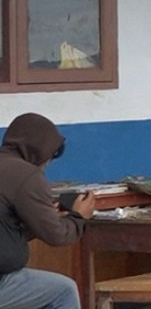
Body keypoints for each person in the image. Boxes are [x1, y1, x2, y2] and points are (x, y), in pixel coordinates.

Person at [0, 113, 95, 309]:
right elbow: (57, 236)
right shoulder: (26, 174)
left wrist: (37, 223)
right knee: (64, 291)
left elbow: (5, 234)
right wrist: (78, 217)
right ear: (41, 151)